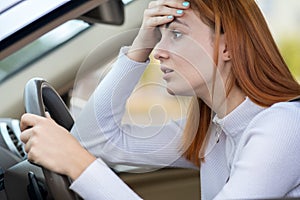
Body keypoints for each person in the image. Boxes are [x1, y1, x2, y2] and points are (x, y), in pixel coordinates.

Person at [20, 0, 300, 199]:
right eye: (159, 37)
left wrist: (77, 163)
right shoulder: (212, 133)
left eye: (176, 34)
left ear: (227, 46)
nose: (158, 52)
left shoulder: (283, 125)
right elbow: (93, 139)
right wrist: (141, 43)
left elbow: (81, 150)